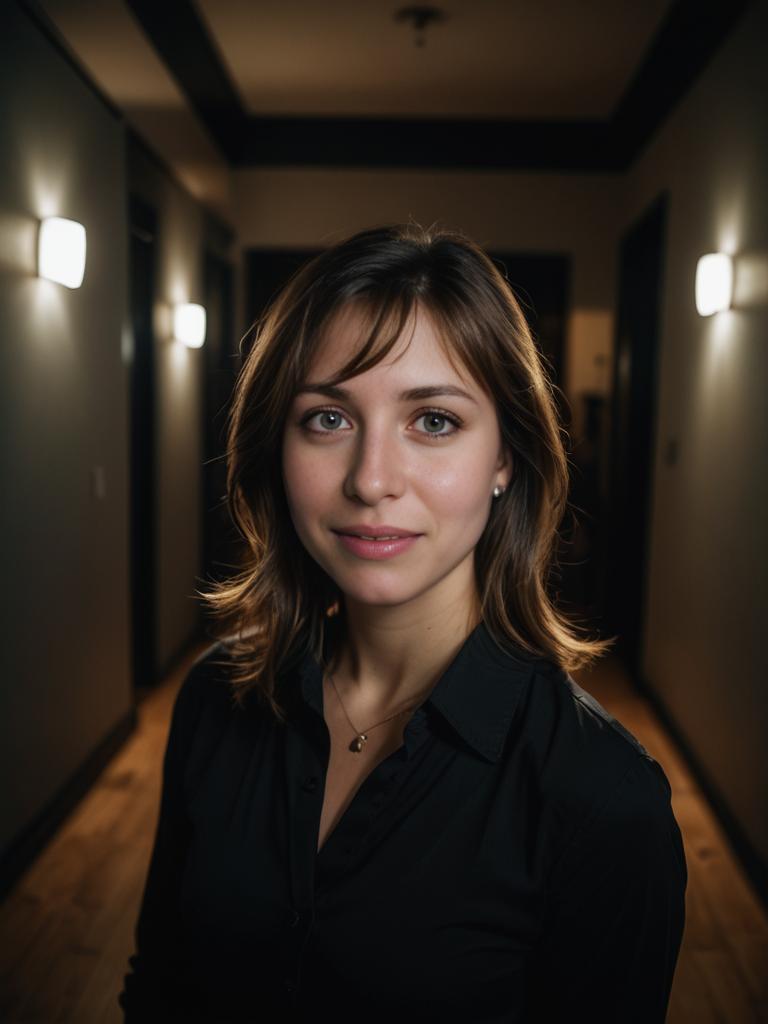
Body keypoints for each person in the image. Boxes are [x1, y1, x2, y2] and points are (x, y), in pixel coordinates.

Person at [118, 223, 687, 1022]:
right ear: (274, 447)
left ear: (505, 460)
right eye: (327, 418)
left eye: (434, 421)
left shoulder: (602, 799)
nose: (372, 479)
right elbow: (161, 987)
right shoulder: (216, 696)